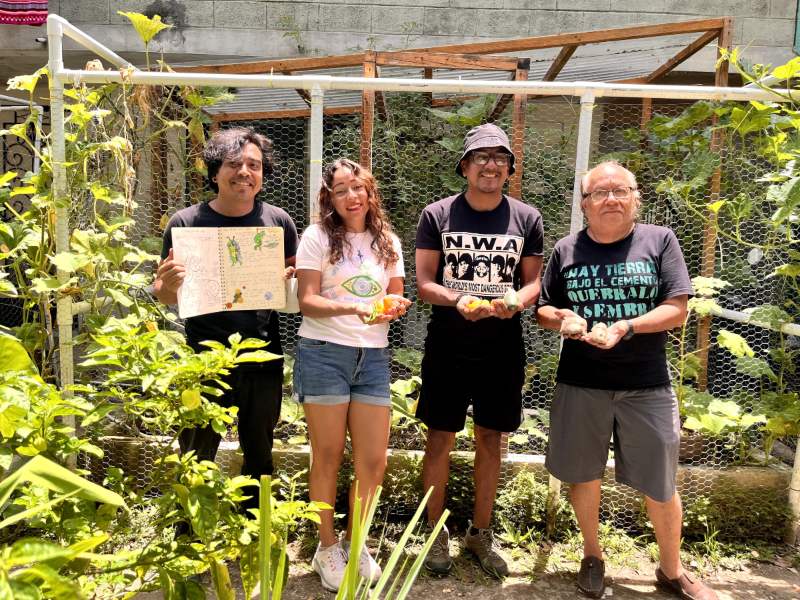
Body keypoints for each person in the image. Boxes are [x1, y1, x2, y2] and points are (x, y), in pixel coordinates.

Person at [536, 161, 717, 600]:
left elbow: (677, 308)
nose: (611, 199)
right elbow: (543, 309)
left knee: (660, 480)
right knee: (583, 475)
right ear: (585, 204)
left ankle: (671, 569)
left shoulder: (659, 241)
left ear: (636, 198)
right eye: (600, 193)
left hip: (646, 384)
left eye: (620, 190)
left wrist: (626, 327)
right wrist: (562, 318)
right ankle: (593, 555)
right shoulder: (566, 249)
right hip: (580, 382)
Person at [415, 123, 544, 578]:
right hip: (449, 344)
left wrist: (516, 302)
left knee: (492, 439)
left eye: (500, 158)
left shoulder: (526, 218)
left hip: (502, 347)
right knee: (440, 438)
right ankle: (434, 534)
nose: (491, 165)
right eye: (481, 157)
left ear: (509, 169)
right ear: (465, 166)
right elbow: (425, 282)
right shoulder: (438, 214)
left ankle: (480, 533)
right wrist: (457, 299)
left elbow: (533, 283)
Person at [153, 127, 299, 514]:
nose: (244, 172)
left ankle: (255, 528)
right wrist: (167, 284)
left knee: (260, 453)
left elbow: (290, 291)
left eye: (254, 164)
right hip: (203, 358)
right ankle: (190, 533)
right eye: (234, 164)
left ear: (263, 173)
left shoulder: (278, 222)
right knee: (196, 452)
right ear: (215, 172)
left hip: (262, 356)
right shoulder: (185, 224)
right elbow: (166, 296)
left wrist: (288, 284)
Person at [293, 158, 410, 592]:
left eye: (357, 187)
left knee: (373, 462)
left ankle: (355, 542)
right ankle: (326, 548)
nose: (351, 196)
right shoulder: (317, 236)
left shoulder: (388, 241)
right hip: (324, 352)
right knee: (327, 455)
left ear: (369, 191)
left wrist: (395, 307)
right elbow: (307, 300)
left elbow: (395, 297)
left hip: (373, 358)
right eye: (340, 190)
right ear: (330, 198)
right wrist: (352, 306)